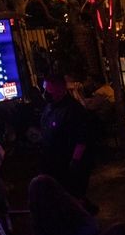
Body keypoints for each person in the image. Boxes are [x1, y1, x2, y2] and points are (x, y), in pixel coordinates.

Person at [40, 73, 97, 211]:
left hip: (67, 161)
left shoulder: (73, 110)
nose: (45, 93)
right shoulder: (50, 105)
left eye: (49, 90)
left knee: (72, 195)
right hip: (52, 158)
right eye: (44, 89)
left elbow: (82, 138)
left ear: (60, 91)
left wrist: (75, 162)